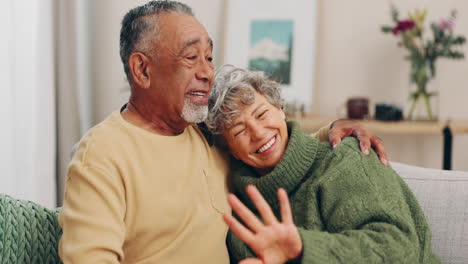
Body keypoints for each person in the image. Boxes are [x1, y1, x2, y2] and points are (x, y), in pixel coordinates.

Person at [58, 1, 389, 263]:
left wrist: (332, 131)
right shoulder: (102, 155)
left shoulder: (205, 131)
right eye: (191, 57)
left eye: (209, 56)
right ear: (142, 69)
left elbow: (261, 142)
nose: (206, 72)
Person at [204, 65, 440, 264]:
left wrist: (302, 247)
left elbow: (399, 250)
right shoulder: (241, 214)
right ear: (229, 151)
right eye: (239, 130)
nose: (257, 133)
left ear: (280, 109)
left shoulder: (343, 160)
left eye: (261, 114)